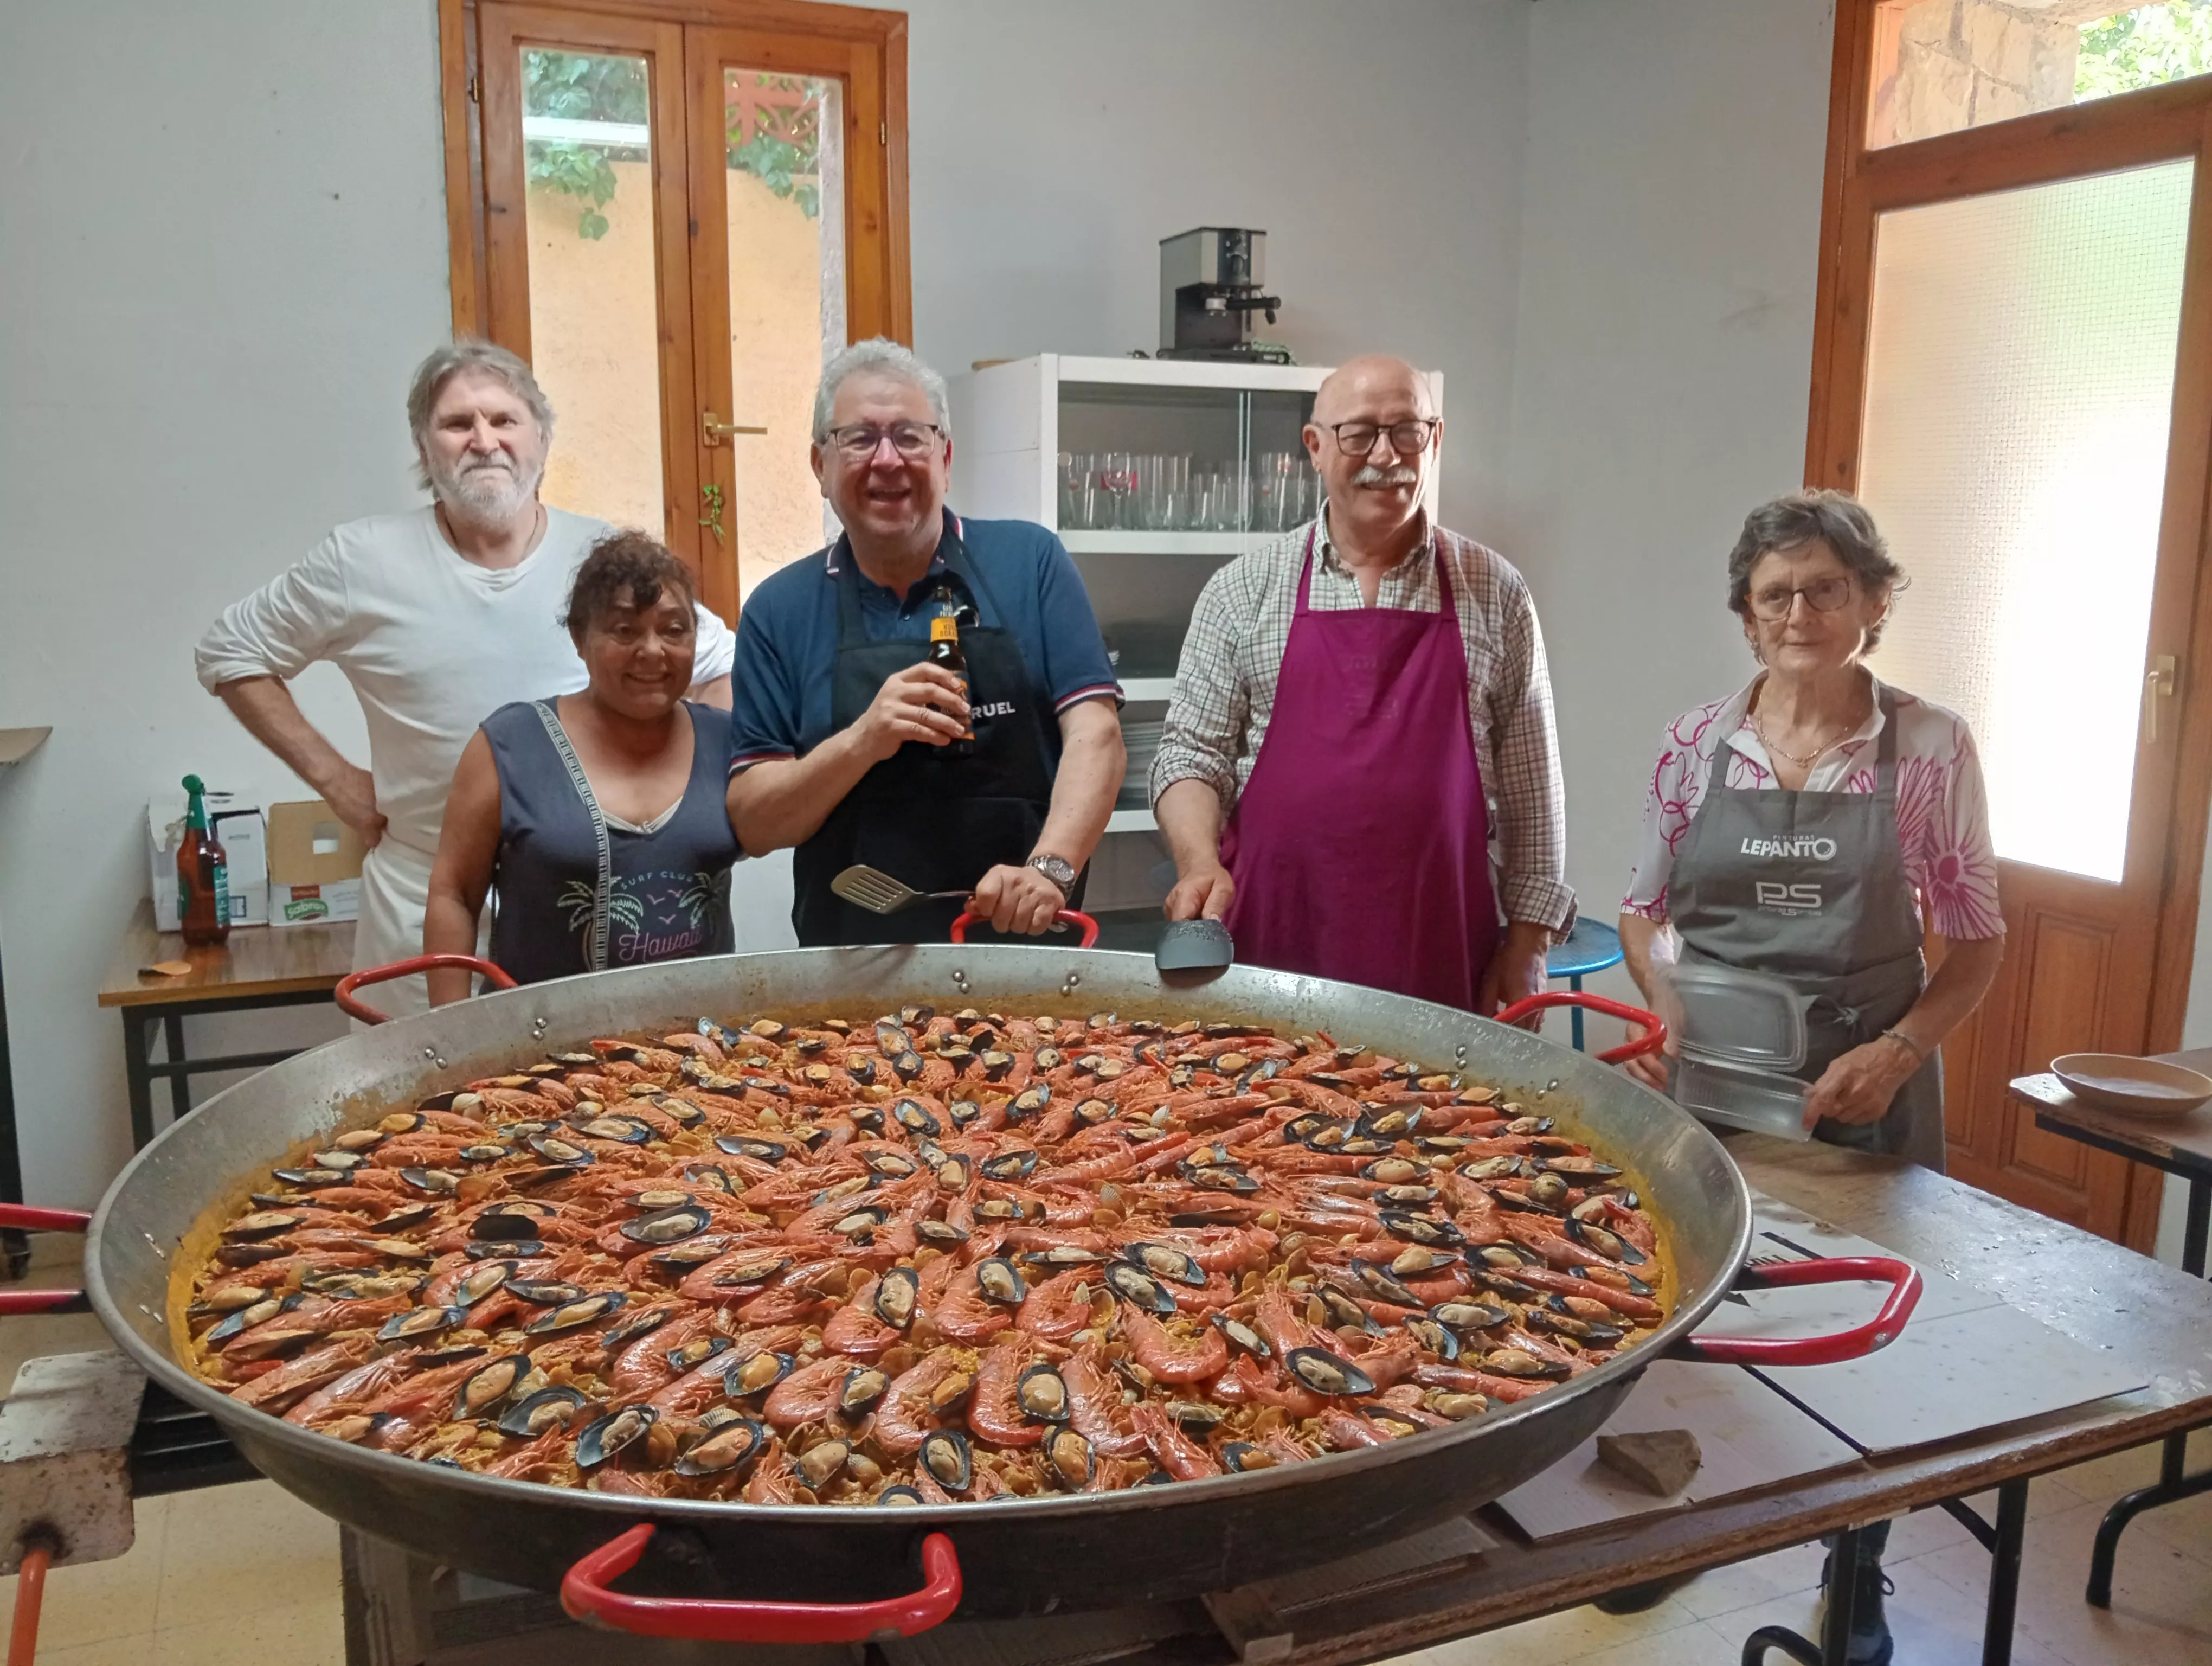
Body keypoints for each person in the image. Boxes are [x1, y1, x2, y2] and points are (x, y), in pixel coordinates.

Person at [1614, 489, 2005, 1664]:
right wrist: (1665, 995)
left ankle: (1860, 1569)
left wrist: (1899, 1053)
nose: (1800, 611)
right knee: (1687, 1317)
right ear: (1746, 614)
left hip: (1861, 1100)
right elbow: (1639, 910)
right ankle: (1663, 1530)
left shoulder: (1929, 748)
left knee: (1860, 1342)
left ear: (1873, 603)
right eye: (1776, 592)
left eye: (1827, 587)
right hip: (1714, 1102)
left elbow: (1978, 939)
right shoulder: (1696, 744)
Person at [195, 341, 735, 1018]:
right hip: (423, 903)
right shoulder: (361, 560)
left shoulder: (599, 558)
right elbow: (230, 651)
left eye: (505, 421)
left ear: (541, 437)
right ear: (425, 448)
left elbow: (717, 666)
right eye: (458, 424)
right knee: (432, 1116)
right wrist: (338, 782)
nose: (485, 441)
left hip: (591, 904)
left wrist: (695, 807)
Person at [1150, 354, 1571, 1014]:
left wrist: (1530, 941)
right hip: (1274, 940)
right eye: (1359, 434)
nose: (1387, 454)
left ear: (1435, 440)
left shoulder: (1496, 592)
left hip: (1440, 946)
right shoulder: (1243, 590)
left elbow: (1531, 788)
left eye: (1408, 430)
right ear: (1316, 448)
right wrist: (1199, 862)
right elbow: (1189, 756)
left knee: (1436, 1117)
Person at [725, 339, 1124, 945]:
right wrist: (865, 739)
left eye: (910, 436)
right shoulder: (778, 610)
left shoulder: (1030, 562)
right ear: (819, 466)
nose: (887, 459)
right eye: (858, 439)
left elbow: (1096, 735)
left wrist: (1051, 869)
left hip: (1028, 956)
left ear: (945, 456)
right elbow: (755, 825)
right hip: (852, 974)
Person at [421, 532, 740, 1000]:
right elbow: (454, 894)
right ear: (579, 637)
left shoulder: (726, 741)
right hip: (535, 1049)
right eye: (625, 630)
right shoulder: (511, 745)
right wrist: (449, 1038)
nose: (652, 651)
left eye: (674, 630)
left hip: (697, 1049)